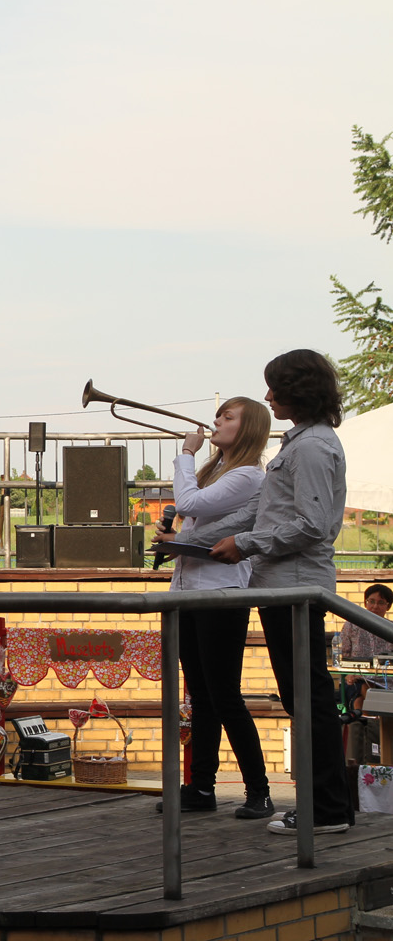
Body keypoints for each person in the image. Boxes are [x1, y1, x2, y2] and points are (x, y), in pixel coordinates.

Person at [198, 349, 353, 835]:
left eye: (275, 387)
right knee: (301, 697)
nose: (267, 396)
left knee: (309, 699)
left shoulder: (311, 447)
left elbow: (312, 525)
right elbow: (262, 512)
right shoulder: (300, 443)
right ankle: (326, 805)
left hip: (295, 588)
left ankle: (327, 809)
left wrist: (244, 544)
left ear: (298, 391)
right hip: (279, 588)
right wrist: (195, 540)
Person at [151, 398, 272, 818]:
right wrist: (175, 543)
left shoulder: (247, 475)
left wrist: (186, 453)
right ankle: (201, 786)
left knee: (224, 697)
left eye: (227, 416)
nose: (217, 421)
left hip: (221, 594)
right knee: (202, 696)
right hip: (190, 591)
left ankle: (259, 790)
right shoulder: (219, 471)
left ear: (248, 429)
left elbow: (189, 504)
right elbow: (200, 526)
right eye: (219, 415)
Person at [340, 583, 393, 765]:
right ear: (365, 603)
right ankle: (371, 734)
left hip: (386, 680)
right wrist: (348, 673)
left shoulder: (390, 628)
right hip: (357, 678)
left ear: (388, 606)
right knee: (361, 687)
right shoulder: (352, 626)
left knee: (366, 693)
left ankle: (368, 726)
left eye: (381, 602)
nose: (375, 606)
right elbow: (343, 656)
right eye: (371, 601)